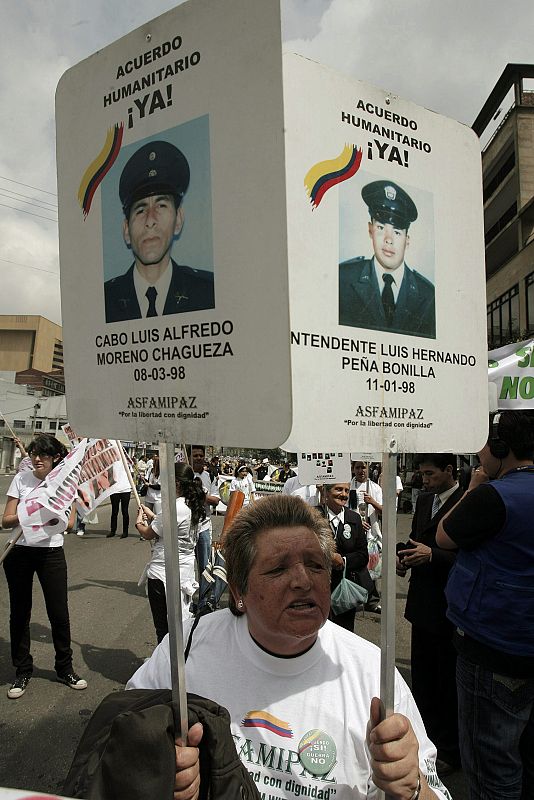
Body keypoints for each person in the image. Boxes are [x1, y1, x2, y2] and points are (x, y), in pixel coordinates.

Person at [127, 494, 450, 800]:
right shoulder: (187, 648)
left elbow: (432, 791)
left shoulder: (373, 673)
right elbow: (120, 742)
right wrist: (157, 767)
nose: (303, 581)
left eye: (315, 565)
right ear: (239, 591)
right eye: (278, 568)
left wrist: (412, 789)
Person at [436, 411, 534, 800]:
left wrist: (474, 487)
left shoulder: (495, 495)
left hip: (493, 646)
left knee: (491, 762)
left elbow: (445, 536)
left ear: (500, 447)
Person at [2, 434, 87, 699]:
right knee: (20, 613)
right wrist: (28, 516)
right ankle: (22, 669)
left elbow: (71, 524)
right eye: (34, 454)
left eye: (44, 455)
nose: (37, 459)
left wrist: (49, 515)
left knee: (59, 613)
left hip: (51, 553)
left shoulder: (65, 484)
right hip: (19, 552)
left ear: (55, 458)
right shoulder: (21, 479)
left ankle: (65, 668)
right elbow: (6, 520)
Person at [396, 454, 463, 777]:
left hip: (450, 606)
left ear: (449, 471)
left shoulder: (469, 501)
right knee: (421, 681)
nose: (424, 479)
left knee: (445, 683)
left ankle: (450, 749)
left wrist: (432, 555)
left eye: (430, 474)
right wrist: (406, 558)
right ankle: (425, 742)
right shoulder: (424, 501)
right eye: (421, 474)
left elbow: (467, 556)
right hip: (420, 603)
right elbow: (417, 542)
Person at [104, 140, 214, 323]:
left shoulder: (209, 292)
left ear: (178, 220)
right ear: (126, 231)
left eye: (161, 205)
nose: (150, 220)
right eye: (140, 209)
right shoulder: (104, 301)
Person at [339, 180, 435, 338]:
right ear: (370, 230)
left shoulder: (428, 295)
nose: (388, 239)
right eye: (381, 228)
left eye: (397, 232)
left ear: (407, 240)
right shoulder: (342, 279)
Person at [136, 463, 205, 641]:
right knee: (179, 626)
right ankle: (176, 663)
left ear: (176, 483)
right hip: (183, 573)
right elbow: (171, 527)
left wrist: (138, 523)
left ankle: (166, 665)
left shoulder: (173, 508)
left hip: (163, 574)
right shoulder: (190, 505)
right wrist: (152, 516)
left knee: (164, 629)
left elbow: (148, 533)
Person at [319, 482, 369, 631]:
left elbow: (362, 555)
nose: (344, 494)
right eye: (338, 489)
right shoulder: (313, 515)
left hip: (344, 590)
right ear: (326, 492)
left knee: (344, 631)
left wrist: (344, 561)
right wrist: (328, 556)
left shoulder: (354, 518)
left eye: (347, 490)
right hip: (318, 588)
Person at [349, 461, 382, 613]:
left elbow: (384, 511)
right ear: (353, 469)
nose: (361, 470)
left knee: (371, 569)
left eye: (363, 467)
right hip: (352, 534)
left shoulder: (375, 488)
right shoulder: (349, 486)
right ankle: (354, 599)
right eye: (357, 467)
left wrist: (372, 502)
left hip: (371, 535)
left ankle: (372, 601)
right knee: (354, 567)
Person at [189, 445, 219, 610]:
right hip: (185, 528)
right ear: (189, 457)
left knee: (204, 567)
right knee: (185, 565)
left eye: (201, 455)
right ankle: (185, 601)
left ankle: (203, 601)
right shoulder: (182, 474)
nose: (199, 458)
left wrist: (201, 494)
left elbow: (215, 500)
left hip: (203, 527)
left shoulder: (211, 476)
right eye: (195, 455)